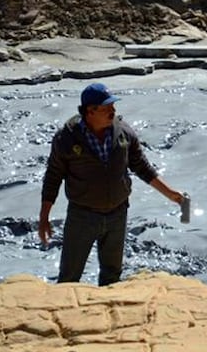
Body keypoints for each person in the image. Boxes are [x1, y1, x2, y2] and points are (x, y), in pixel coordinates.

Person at [39, 82, 185, 285]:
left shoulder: (124, 133)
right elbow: (53, 176)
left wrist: (170, 193)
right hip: (82, 216)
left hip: (117, 214)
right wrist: (44, 216)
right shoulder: (66, 139)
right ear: (90, 111)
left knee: (112, 276)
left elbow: (141, 166)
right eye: (106, 107)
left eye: (113, 106)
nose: (113, 111)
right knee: (69, 277)